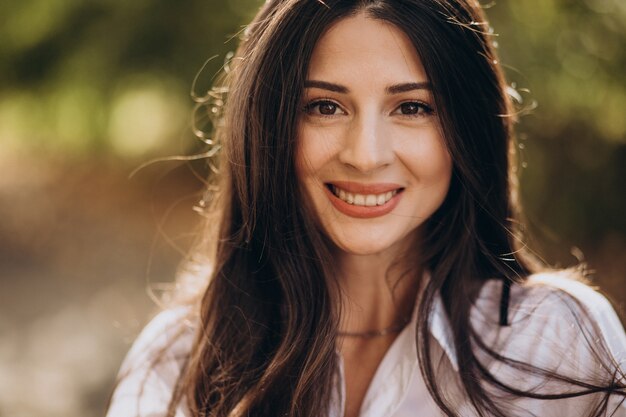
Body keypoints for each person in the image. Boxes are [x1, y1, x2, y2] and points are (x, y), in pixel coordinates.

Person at [105, 1, 626, 416]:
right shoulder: (181, 357)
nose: (365, 154)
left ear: (467, 130)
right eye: (325, 107)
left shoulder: (555, 341)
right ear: (269, 126)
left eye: (412, 107)